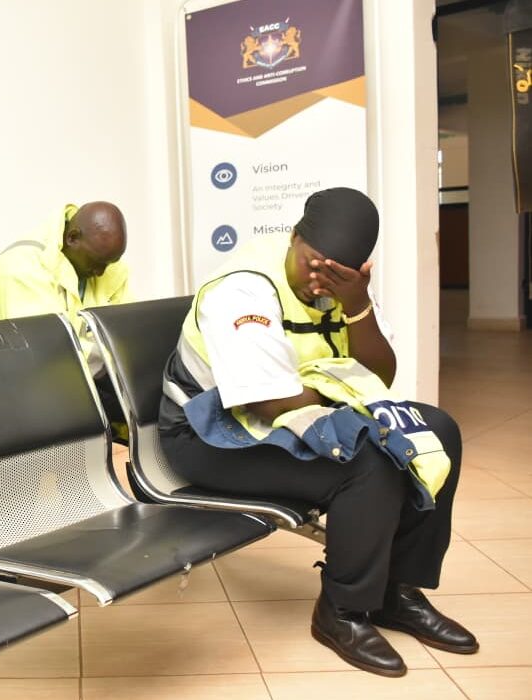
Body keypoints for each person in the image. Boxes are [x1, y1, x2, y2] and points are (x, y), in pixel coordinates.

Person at [158, 187, 477, 677]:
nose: (319, 279)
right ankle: (342, 612)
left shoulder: (342, 289)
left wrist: (356, 305)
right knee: (369, 455)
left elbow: (381, 375)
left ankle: (397, 593)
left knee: (436, 430)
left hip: (291, 421)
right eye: (313, 263)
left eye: (338, 273)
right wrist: (357, 408)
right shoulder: (245, 290)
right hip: (211, 435)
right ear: (293, 237)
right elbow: (265, 399)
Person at [0, 201, 130, 425]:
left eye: (109, 264)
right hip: (27, 385)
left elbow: (126, 334)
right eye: (97, 262)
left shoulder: (105, 263)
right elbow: (47, 355)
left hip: (83, 378)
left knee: (147, 396)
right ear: (72, 238)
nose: (101, 272)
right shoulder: (21, 269)